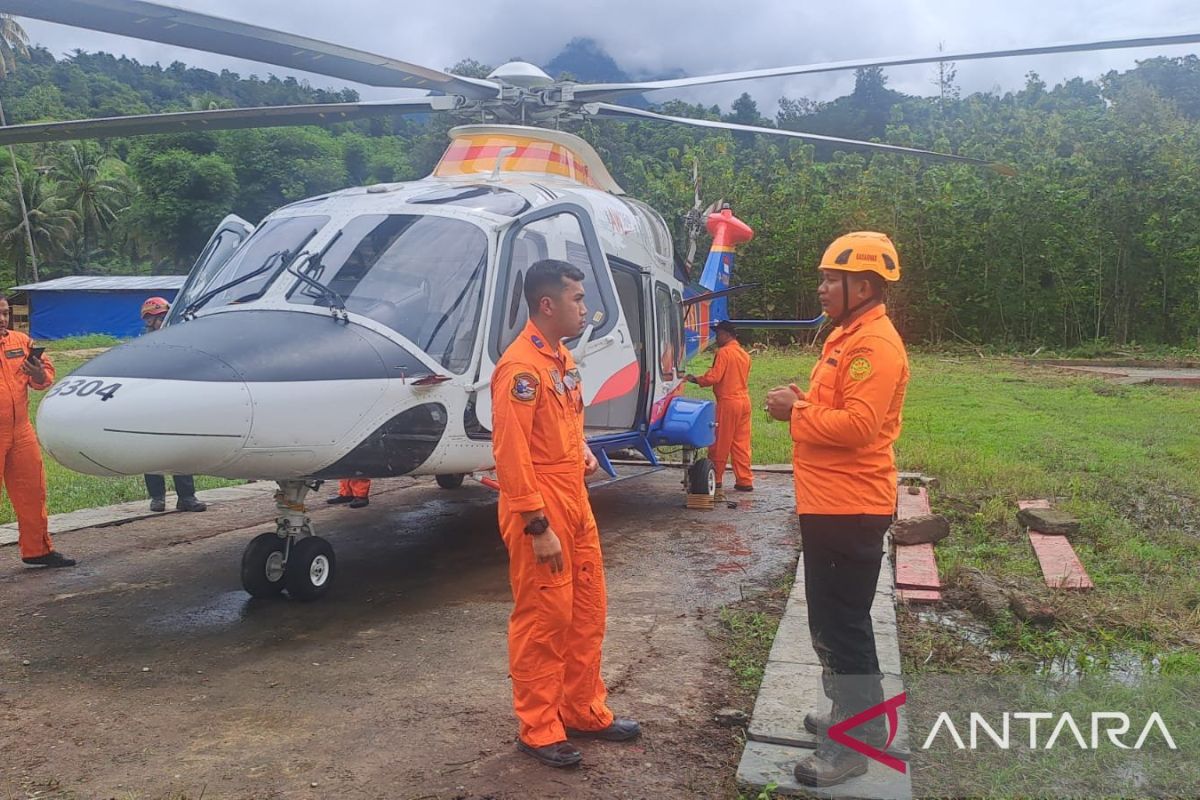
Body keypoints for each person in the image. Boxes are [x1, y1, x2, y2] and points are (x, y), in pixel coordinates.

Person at [765, 231, 909, 787]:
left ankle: (854, 740)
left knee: (843, 624)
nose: (822, 288)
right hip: (830, 502)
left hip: (851, 507)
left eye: (832, 279)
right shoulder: (847, 336)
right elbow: (840, 408)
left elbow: (858, 427)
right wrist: (809, 402)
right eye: (824, 277)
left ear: (863, 285)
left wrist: (794, 413)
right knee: (830, 618)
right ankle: (856, 717)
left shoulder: (874, 345)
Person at [491, 259, 640, 768]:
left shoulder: (560, 360)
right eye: (577, 299)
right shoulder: (521, 370)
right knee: (544, 619)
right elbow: (511, 455)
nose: (585, 308)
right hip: (541, 506)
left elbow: (563, 429)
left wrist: (584, 454)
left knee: (586, 610)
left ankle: (582, 709)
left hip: (574, 499)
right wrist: (537, 525)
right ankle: (538, 728)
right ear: (547, 304)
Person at [0, 295, 75, 568]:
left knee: (33, 491)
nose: (2, 319)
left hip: (20, 431)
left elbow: (43, 379)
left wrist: (39, 373)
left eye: (5, 313)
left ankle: (37, 549)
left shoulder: (21, 342)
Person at [140, 297, 207, 513]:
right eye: (153, 319)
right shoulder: (144, 345)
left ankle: (186, 497)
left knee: (179, 449)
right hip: (151, 404)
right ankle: (157, 497)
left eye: (159, 318)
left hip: (175, 403)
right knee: (150, 452)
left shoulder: (181, 341)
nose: (157, 323)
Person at [685, 319, 753, 493]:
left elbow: (714, 377)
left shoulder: (724, 353)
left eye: (718, 333)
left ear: (726, 334)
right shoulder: (744, 354)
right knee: (741, 444)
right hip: (744, 402)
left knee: (719, 442)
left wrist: (695, 379)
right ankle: (744, 481)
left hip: (728, 402)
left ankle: (717, 478)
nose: (717, 337)